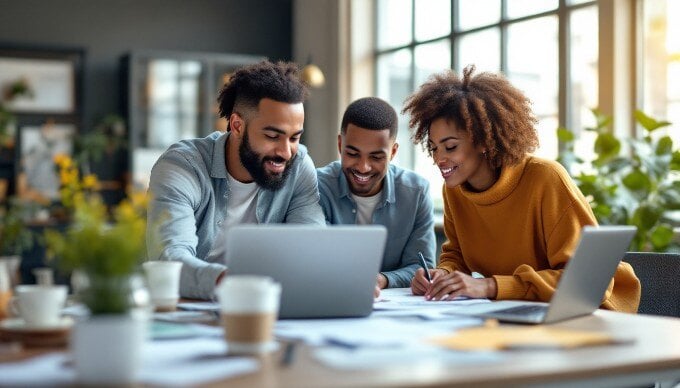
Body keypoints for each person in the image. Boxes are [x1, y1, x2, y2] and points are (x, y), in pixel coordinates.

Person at [402, 65, 640, 313]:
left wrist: (489, 287)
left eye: (450, 147)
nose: (439, 159)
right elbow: (456, 255)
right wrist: (442, 275)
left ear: (483, 141)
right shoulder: (454, 190)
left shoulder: (545, 179)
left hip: (590, 312)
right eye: (433, 148)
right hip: (518, 311)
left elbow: (588, 281)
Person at [147, 60, 325, 299]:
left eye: (294, 138)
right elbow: (169, 258)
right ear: (237, 125)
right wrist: (232, 283)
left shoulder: (299, 166)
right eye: (273, 136)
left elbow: (310, 247)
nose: (286, 151)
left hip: (262, 303)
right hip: (182, 305)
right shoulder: (182, 166)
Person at [317, 97, 436, 298]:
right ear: (340, 144)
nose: (363, 167)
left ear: (393, 152)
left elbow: (420, 267)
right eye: (353, 153)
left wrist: (383, 279)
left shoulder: (416, 193)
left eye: (376, 157)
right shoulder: (316, 187)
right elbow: (314, 258)